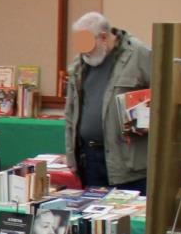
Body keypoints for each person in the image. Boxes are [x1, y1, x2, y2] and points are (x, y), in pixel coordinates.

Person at [63, 12, 150, 192]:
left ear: (103, 37)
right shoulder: (80, 64)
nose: (84, 52)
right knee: (93, 217)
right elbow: (70, 112)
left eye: (88, 45)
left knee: (126, 218)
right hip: (90, 159)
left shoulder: (139, 54)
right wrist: (72, 156)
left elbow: (164, 97)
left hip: (127, 161)